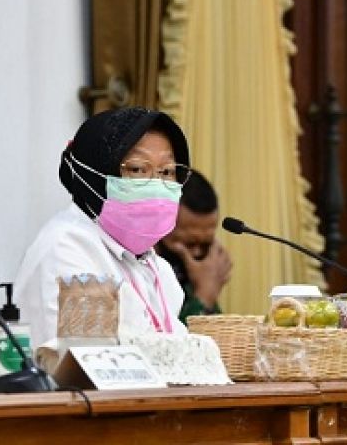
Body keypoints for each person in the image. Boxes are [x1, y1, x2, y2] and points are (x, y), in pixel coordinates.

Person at [15, 107, 191, 345]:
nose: (157, 185)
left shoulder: (157, 269)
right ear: (95, 175)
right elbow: (89, 356)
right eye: (137, 169)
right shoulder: (68, 248)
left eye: (167, 171)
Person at [157, 169, 232, 323]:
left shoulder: (199, 272)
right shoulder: (140, 271)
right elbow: (167, 335)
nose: (197, 252)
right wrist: (204, 295)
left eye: (205, 244)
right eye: (189, 243)